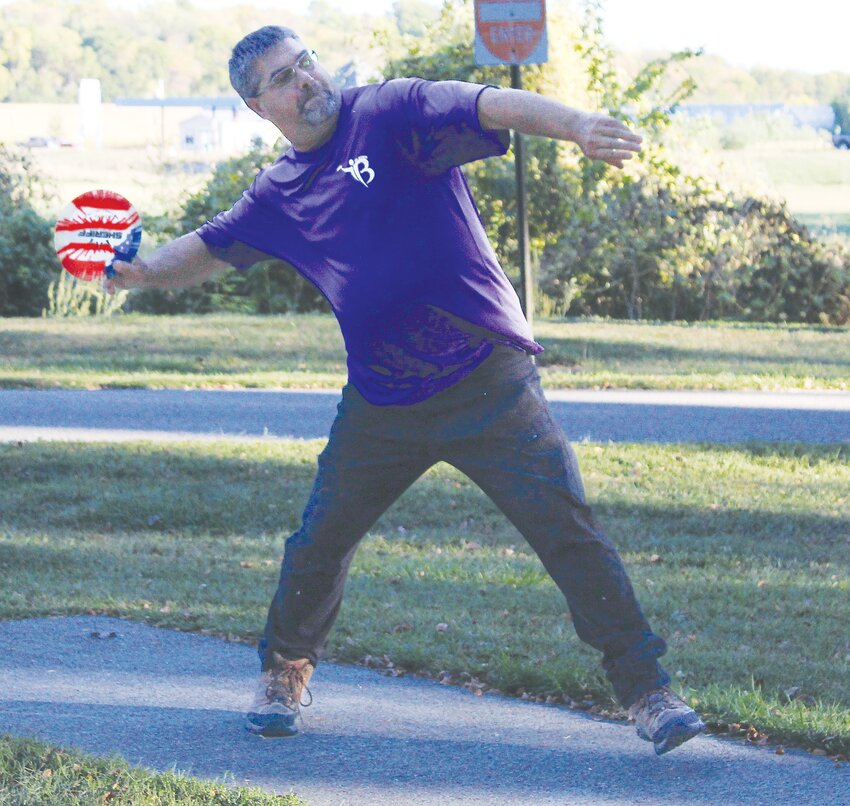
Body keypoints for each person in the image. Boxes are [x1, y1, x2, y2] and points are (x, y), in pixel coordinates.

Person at [106, 25, 706, 756]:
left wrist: (578, 126)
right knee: (318, 541)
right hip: (383, 403)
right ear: (259, 107)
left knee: (568, 533)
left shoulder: (389, 113)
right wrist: (138, 274)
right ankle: (283, 673)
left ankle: (648, 692)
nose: (307, 82)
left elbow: (488, 103)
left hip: (489, 381)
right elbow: (205, 249)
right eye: (284, 79)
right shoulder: (280, 193)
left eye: (306, 64)